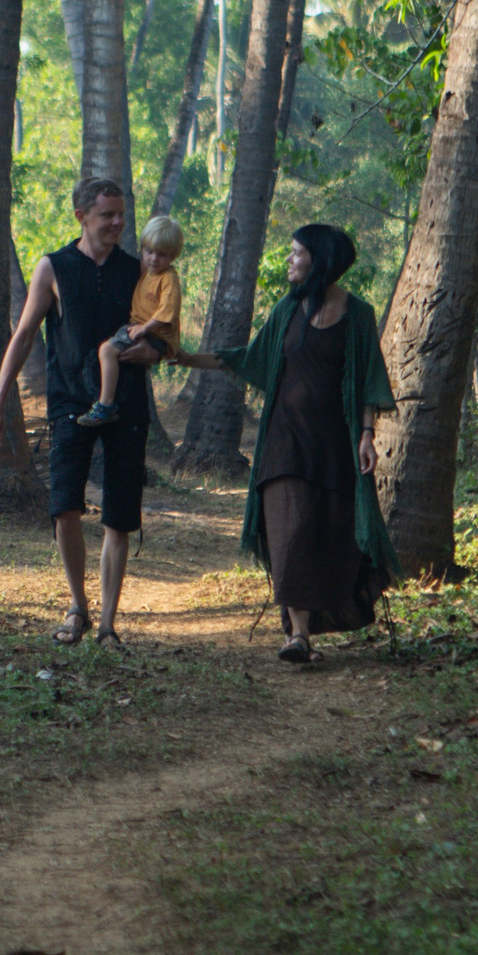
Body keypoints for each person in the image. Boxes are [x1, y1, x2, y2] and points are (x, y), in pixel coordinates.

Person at [171, 223, 399, 664]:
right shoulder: (287, 310)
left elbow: (370, 379)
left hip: (335, 448)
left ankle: (309, 629)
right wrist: (182, 357)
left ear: (321, 261)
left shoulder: (359, 315)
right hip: (283, 446)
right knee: (289, 536)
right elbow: (246, 357)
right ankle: (297, 635)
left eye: (297, 253)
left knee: (327, 537)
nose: (290, 260)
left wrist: (367, 436)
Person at [0, 178, 166, 645]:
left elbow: (162, 334)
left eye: (122, 214)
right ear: (81, 216)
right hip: (69, 403)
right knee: (65, 505)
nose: (118, 223)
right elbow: (24, 336)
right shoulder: (54, 267)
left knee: (119, 514)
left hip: (126, 404)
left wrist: (155, 353)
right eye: (108, 215)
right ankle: (77, 608)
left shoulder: (137, 271)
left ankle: (108, 623)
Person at [76, 213, 185, 426]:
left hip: (155, 333)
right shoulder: (148, 273)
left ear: (173, 256)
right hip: (142, 329)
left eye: (161, 255)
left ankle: (105, 405)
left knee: (107, 350)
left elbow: (167, 312)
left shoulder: (168, 279)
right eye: (149, 251)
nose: (153, 258)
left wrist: (144, 329)